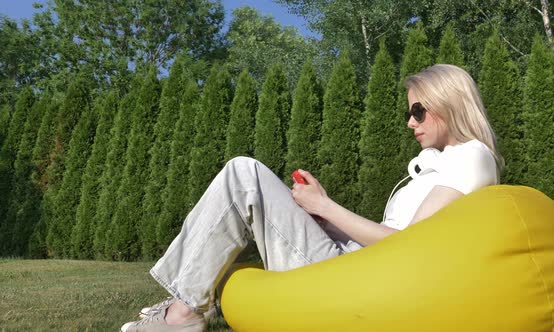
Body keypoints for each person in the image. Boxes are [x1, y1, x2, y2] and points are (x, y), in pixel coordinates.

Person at [120, 64, 503, 332]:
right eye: (410, 112)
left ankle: (182, 313)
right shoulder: (443, 163)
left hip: (366, 283)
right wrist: (326, 215)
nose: (410, 122)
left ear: (449, 102)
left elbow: (407, 246)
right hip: (363, 268)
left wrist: (324, 207)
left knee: (244, 174)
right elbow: (391, 239)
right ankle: (186, 301)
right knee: (248, 183)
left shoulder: (472, 157)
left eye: (418, 111)